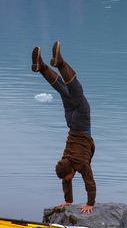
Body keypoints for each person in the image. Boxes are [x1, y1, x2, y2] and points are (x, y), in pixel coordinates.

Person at [32, 41, 96, 214]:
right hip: (71, 122)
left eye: (67, 177)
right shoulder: (65, 159)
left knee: (76, 90)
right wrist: (69, 201)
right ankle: (42, 67)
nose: (67, 180)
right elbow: (66, 180)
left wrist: (90, 203)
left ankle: (60, 63)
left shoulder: (80, 164)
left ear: (69, 171)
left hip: (81, 123)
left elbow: (90, 182)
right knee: (63, 89)